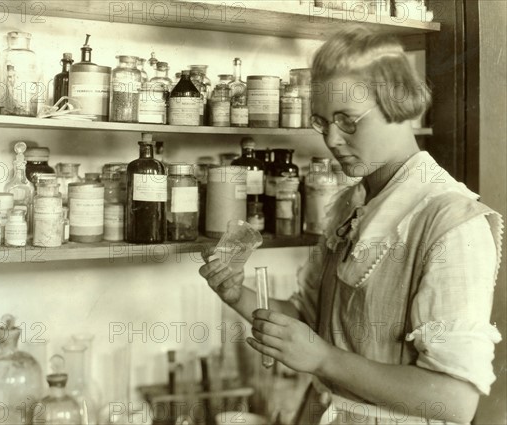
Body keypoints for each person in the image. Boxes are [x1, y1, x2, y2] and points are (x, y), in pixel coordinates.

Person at [199, 26, 503, 425]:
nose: (332, 138)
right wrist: (238, 294)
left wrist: (325, 360)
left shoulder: (451, 222)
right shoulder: (350, 205)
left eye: (348, 120)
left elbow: (454, 400)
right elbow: (313, 322)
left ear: (398, 103)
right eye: (322, 122)